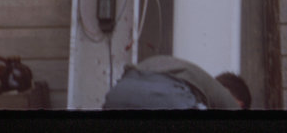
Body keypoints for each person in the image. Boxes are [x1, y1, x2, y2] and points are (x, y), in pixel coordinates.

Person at [102, 55, 251, 110]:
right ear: (239, 103)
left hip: (119, 92)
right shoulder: (228, 102)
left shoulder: (196, 81)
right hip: (166, 97)